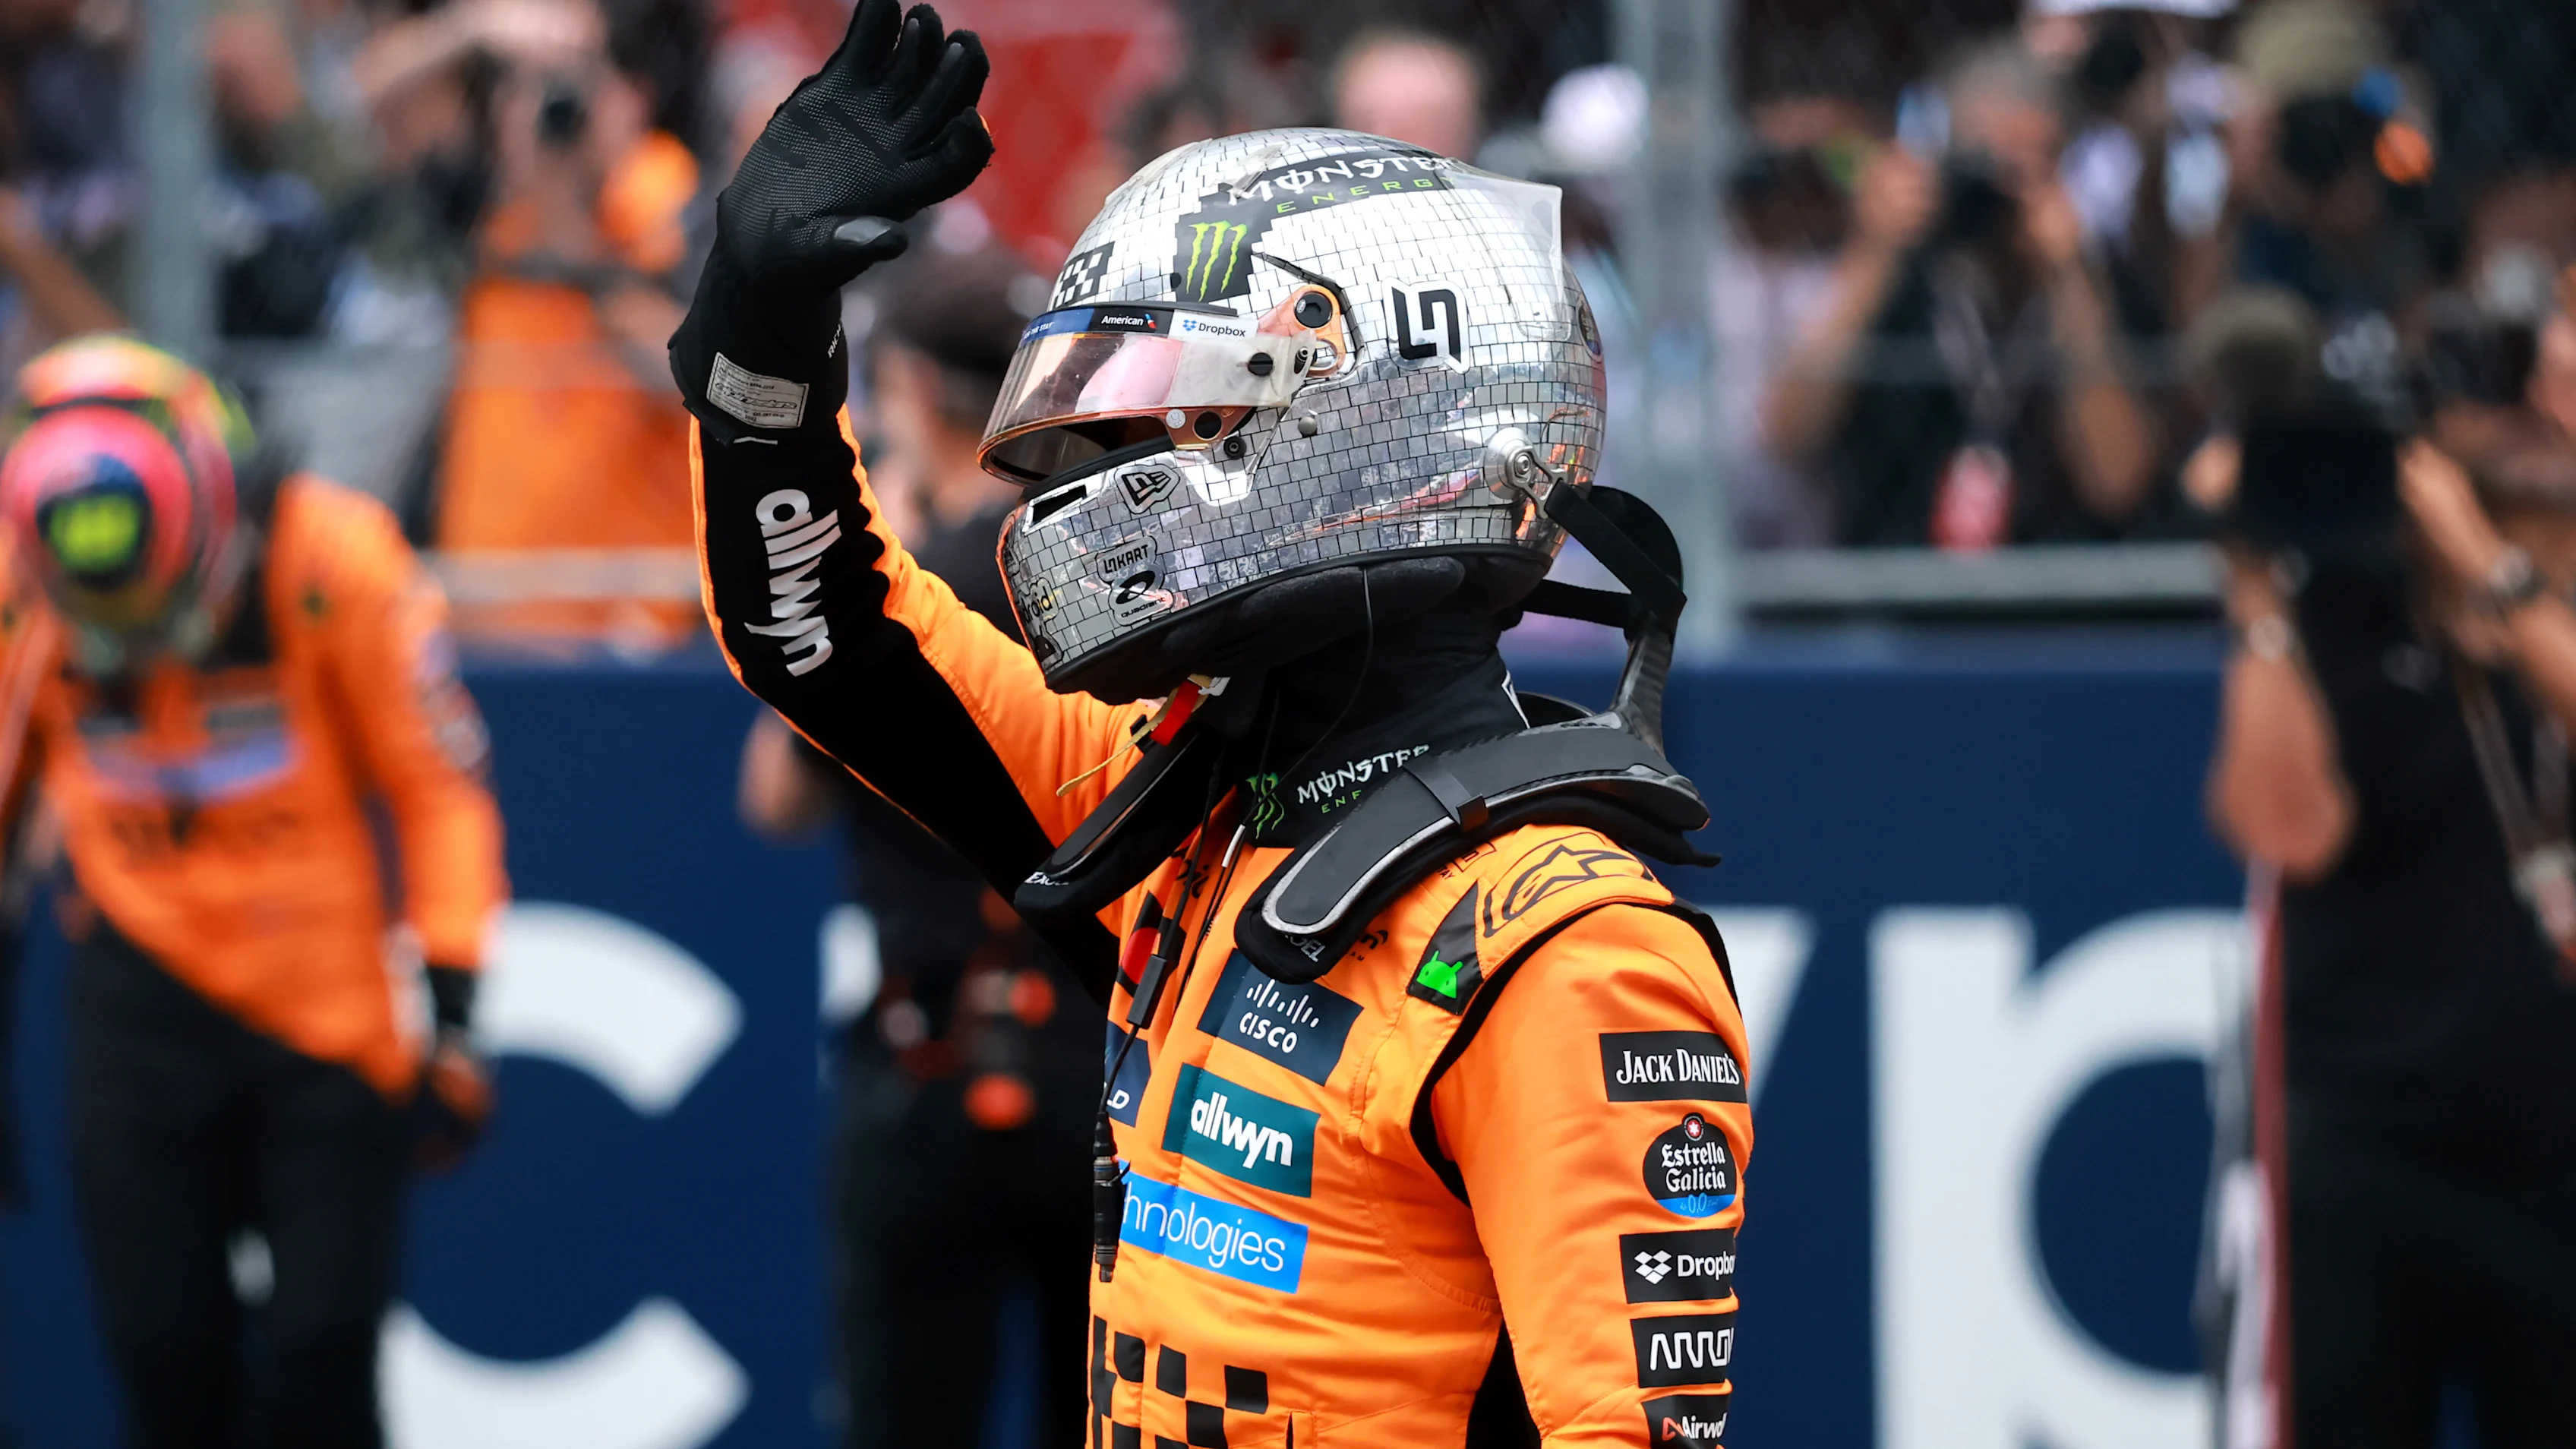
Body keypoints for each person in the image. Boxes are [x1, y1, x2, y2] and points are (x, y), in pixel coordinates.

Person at [676, 5, 1750, 1447]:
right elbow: (833, 644)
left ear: (1367, 433)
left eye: (1162, 436)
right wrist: (759, 347)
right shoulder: (1195, 820)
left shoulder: (1564, 950)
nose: (1105, 491)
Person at [0, 335, 508, 1447]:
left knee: (324, 1376)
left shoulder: (337, 557)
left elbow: (440, 796)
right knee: (166, 1374)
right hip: (134, 1022)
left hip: (326, 1033)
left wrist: (457, 1008)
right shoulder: (17, 585)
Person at [735, 244, 1097, 1449]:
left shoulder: (899, 597)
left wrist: (868, 548)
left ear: (917, 401)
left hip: (932, 1075)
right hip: (1115, 1085)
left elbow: (775, 801)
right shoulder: (1119, 583)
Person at [2202, 301, 2576, 1448]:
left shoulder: (2522, 595)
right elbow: (2284, 826)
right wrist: (2259, 598)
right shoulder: (2349, 600)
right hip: (2364, 1149)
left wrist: (2493, 574)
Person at [1763, 39, 2164, 548]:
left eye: (2032, 165)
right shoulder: (1898, 278)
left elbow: (2120, 483)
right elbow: (1789, 433)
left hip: (2060, 593)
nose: (2003, 189)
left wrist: (2070, 282)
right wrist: (1872, 254)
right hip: (1895, 593)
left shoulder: (2100, 282)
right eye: (1986, 164)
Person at [425, 0, 708, 639]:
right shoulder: (494, 202)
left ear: (633, 95)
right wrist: (468, 32)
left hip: (622, 628)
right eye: (536, 85)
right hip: (485, 617)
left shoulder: (669, 198)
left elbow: (691, 376)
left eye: (579, 80)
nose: (560, 108)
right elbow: (368, 112)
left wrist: (572, 234)